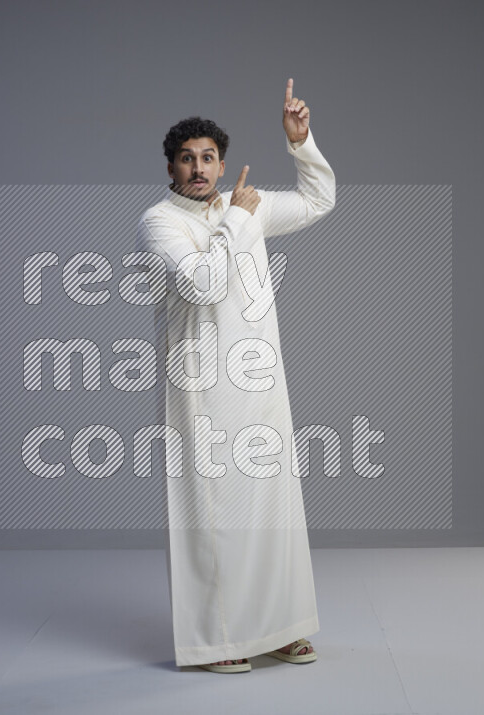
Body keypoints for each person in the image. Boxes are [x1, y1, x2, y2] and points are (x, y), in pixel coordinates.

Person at [136, 79, 336, 673]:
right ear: (170, 166)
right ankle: (221, 640)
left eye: (208, 158)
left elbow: (319, 200)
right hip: (200, 385)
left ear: (222, 164)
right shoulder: (158, 221)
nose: (198, 169)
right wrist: (241, 222)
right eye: (187, 159)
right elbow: (203, 283)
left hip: (260, 381)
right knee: (214, 511)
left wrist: (301, 144)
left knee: (272, 506)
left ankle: (282, 627)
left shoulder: (241, 203)